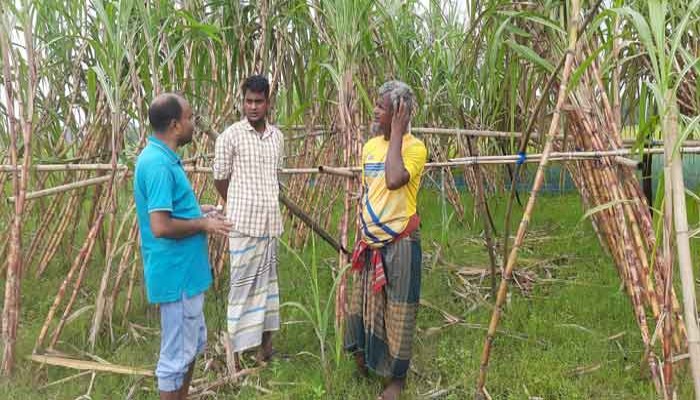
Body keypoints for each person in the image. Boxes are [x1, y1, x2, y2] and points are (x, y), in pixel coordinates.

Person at [134, 93, 232, 400]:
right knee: (175, 357)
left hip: (186, 275)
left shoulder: (163, 159)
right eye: (190, 118)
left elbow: (170, 211)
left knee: (191, 348)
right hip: (175, 276)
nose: (193, 124)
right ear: (175, 125)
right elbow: (161, 226)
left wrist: (199, 211)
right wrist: (203, 224)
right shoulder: (158, 165)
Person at [345, 80, 427, 400]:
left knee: (399, 310)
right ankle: (366, 357)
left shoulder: (415, 148)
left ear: (399, 113)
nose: (374, 111)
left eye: (382, 107)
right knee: (367, 305)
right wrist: (361, 228)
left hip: (401, 241)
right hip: (371, 241)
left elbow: (394, 180)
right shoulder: (369, 147)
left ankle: (396, 380)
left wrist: (398, 133)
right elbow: (370, 191)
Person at [212, 75, 284, 371]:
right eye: (248, 101)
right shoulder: (230, 135)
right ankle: (236, 356)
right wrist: (239, 203)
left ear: (268, 102)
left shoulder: (277, 137)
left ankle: (265, 349)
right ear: (242, 102)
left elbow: (276, 176)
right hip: (242, 224)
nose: (253, 107)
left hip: (270, 226)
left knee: (269, 288)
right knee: (241, 290)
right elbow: (220, 177)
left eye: (258, 101)